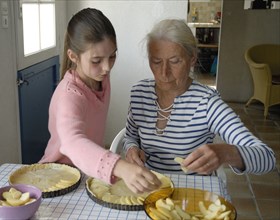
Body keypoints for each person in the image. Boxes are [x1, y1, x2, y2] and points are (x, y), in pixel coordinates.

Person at [124, 19, 276, 176]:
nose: (164, 73)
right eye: (156, 62)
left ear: (192, 59)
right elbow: (130, 136)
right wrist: (132, 149)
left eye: (175, 61)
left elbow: (266, 157)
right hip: (147, 187)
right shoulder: (139, 93)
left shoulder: (206, 103)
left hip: (191, 193)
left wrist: (226, 153)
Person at [39, 8, 161, 194]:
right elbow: (72, 142)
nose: (106, 68)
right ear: (73, 56)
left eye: (112, 56)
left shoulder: (100, 78)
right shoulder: (69, 95)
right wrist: (120, 167)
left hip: (86, 172)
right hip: (58, 177)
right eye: (96, 60)